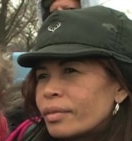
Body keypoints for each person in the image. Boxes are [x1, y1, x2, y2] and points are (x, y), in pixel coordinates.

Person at [7, 6, 132, 141]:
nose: (48, 90)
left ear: (121, 87)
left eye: (70, 71)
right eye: (42, 76)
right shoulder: (25, 136)